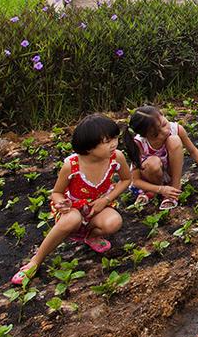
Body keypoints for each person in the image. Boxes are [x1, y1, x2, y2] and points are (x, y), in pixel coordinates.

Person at [12, 114, 132, 284]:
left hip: (98, 207)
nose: (114, 144)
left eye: (114, 138)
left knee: (113, 222)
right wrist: (61, 203)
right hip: (74, 208)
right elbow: (56, 192)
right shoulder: (72, 165)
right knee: (72, 220)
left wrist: (106, 200)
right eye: (107, 141)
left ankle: (90, 235)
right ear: (89, 147)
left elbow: (126, 180)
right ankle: (35, 261)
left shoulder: (116, 157)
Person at [122, 105, 198, 210]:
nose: (165, 131)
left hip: (169, 174)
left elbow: (193, 151)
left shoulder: (176, 129)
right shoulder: (139, 143)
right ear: (145, 135)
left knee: (174, 140)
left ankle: (174, 189)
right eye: (156, 134)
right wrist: (160, 189)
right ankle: (153, 191)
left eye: (164, 124)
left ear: (164, 115)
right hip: (149, 179)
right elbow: (136, 181)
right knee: (153, 162)